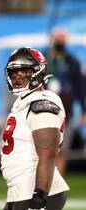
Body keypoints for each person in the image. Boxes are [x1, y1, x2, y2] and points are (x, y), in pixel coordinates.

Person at [0, 47, 69, 210]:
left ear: (39, 72)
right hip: (21, 190)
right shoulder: (23, 101)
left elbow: (47, 156)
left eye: (24, 72)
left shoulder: (42, 104)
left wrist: (39, 197)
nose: (17, 77)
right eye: (14, 73)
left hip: (36, 191)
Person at [45, 28, 86, 175]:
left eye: (64, 39)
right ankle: (42, 181)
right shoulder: (43, 59)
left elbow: (80, 87)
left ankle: (57, 181)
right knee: (43, 147)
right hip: (43, 109)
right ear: (52, 39)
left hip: (64, 110)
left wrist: (83, 110)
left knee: (63, 147)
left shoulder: (71, 61)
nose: (61, 42)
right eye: (59, 38)